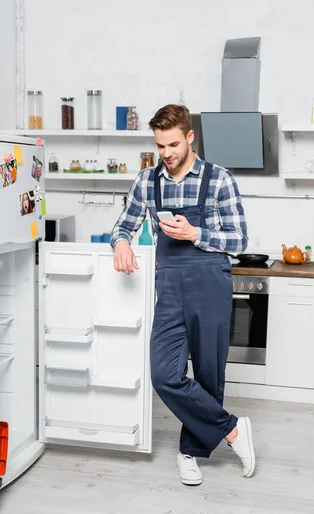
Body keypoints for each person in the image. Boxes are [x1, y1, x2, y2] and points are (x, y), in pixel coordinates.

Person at [111, 104, 256, 486]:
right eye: (160, 146)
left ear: (190, 137)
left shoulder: (219, 179)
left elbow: (240, 240)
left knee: (209, 374)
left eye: (173, 144)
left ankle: (189, 452)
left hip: (210, 283)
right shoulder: (147, 181)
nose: (167, 154)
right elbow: (123, 223)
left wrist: (195, 234)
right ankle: (233, 429)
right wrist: (121, 243)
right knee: (164, 375)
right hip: (170, 287)